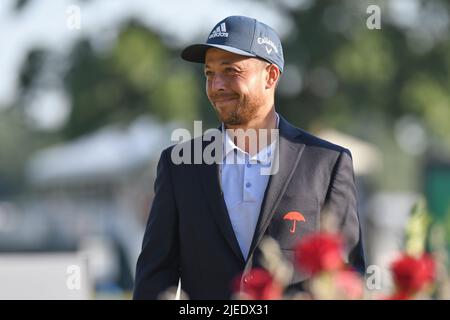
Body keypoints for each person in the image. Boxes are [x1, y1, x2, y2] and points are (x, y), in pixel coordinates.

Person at [133, 15, 365, 300]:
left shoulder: (327, 162)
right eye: (209, 73)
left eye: (231, 71)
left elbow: (346, 275)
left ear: (271, 76)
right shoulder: (179, 165)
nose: (216, 85)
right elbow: (154, 279)